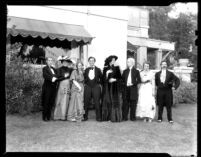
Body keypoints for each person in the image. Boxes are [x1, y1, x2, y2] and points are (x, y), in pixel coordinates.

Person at [102, 55, 122, 122]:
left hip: (115, 87)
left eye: (114, 60)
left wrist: (115, 79)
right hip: (107, 87)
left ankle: (115, 118)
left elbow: (120, 79)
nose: (114, 61)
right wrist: (107, 74)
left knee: (114, 102)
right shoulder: (105, 68)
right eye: (113, 60)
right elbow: (103, 80)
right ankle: (108, 117)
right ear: (110, 60)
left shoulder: (117, 68)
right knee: (108, 101)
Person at [53, 56, 73, 121]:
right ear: (62, 62)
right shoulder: (58, 69)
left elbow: (75, 70)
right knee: (59, 100)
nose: (65, 63)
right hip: (61, 86)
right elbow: (57, 79)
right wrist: (64, 77)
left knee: (66, 100)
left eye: (66, 62)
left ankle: (64, 116)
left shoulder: (70, 69)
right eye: (64, 62)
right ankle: (58, 116)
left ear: (68, 63)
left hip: (68, 86)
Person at [83, 56, 103, 121]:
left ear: (94, 62)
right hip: (87, 87)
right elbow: (84, 78)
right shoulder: (86, 70)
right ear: (88, 62)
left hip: (96, 87)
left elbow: (102, 78)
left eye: (92, 61)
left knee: (97, 102)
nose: (91, 62)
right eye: (90, 61)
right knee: (86, 102)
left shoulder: (98, 69)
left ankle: (98, 117)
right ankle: (85, 116)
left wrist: (98, 83)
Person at [41, 57, 58, 121]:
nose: (50, 61)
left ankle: (48, 116)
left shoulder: (54, 69)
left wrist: (56, 78)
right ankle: (44, 117)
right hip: (47, 88)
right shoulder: (45, 68)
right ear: (47, 61)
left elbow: (57, 76)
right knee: (46, 102)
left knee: (51, 102)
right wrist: (52, 78)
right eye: (49, 60)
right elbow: (45, 75)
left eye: (51, 60)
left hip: (53, 88)